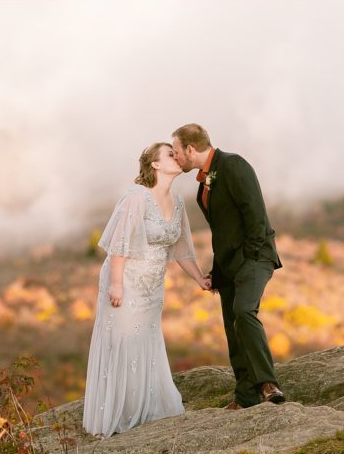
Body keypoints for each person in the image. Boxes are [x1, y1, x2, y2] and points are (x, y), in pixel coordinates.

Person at [83, 142, 211, 437]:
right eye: (169, 154)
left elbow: (182, 250)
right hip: (125, 281)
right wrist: (116, 284)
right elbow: (119, 245)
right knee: (123, 341)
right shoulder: (137, 197)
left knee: (146, 342)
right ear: (155, 165)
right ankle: (119, 412)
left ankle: (146, 407)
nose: (176, 157)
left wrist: (200, 279)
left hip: (153, 286)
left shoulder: (177, 202)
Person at [171, 123, 286, 410]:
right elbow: (222, 233)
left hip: (255, 257)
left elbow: (256, 215)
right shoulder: (203, 184)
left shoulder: (234, 165)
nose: (175, 157)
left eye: (176, 151)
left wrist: (248, 255)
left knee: (244, 312)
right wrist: (218, 271)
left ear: (190, 148)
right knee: (232, 329)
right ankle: (245, 395)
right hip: (229, 265)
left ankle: (268, 384)